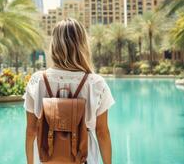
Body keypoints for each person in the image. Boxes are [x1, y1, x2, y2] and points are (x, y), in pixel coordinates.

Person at [23, 18, 115, 164]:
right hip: (85, 158)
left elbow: (31, 131)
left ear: (54, 45)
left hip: (46, 158)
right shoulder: (95, 83)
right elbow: (102, 132)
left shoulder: (37, 80)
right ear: (82, 45)